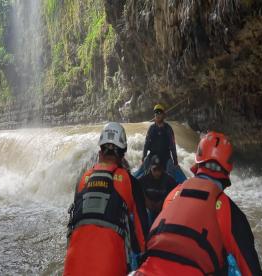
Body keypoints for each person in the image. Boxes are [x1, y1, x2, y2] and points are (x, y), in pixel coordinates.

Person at [135, 132, 262, 276]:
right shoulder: (228, 210)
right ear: (228, 167)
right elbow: (251, 270)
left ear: (198, 159)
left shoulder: (173, 194)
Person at [64, 122, 149, 276]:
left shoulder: (82, 180)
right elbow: (142, 234)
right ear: (123, 154)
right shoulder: (130, 182)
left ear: (100, 153)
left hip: (71, 269)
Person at [138, 155, 177, 223]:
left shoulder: (169, 180)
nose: (157, 173)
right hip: (148, 207)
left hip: (162, 207)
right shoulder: (143, 179)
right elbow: (136, 189)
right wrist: (145, 200)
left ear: (163, 169)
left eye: (159, 170)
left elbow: (176, 192)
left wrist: (163, 202)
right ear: (150, 168)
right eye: (154, 169)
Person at [142, 104, 178, 171]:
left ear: (163, 115)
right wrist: (143, 156)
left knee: (169, 169)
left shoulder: (168, 129)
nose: (157, 115)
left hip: (165, 157)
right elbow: (146, 143)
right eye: (156, 113)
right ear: (154, 115)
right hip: (153, 156)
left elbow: (173, 146)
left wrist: (175, 161)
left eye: (159, 113)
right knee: (146, 166)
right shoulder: (151, 128)